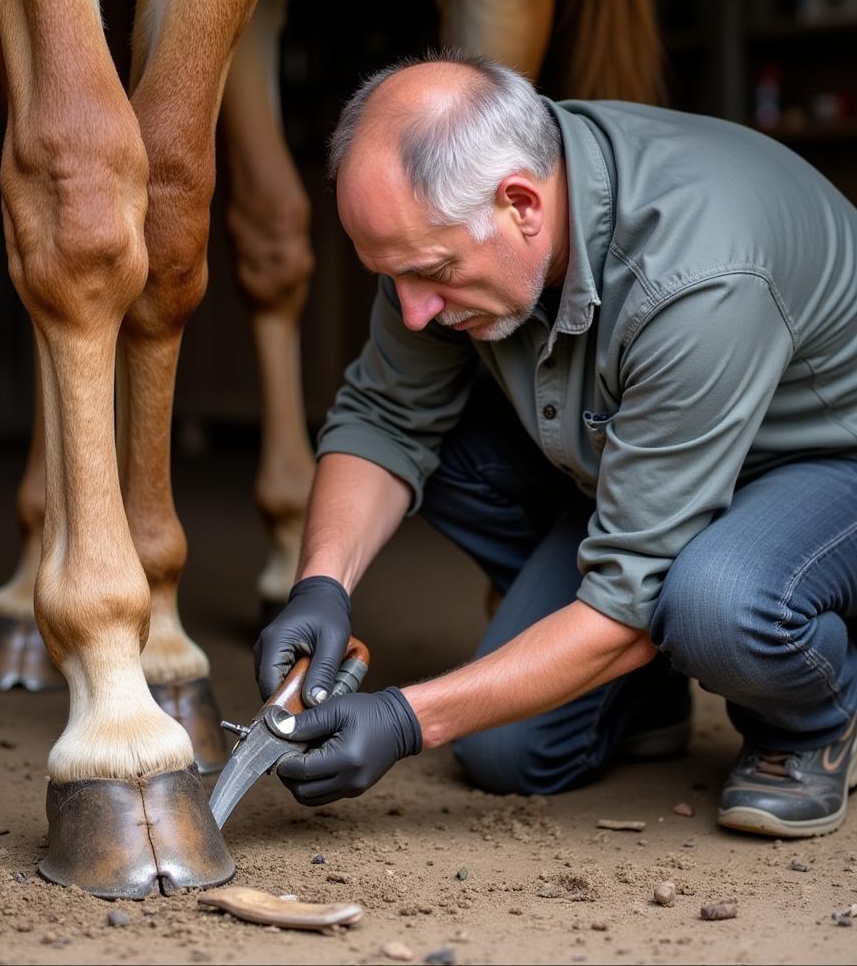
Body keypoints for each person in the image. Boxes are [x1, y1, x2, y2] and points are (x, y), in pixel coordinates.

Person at [253, 50, 857, 839]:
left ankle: (812, 721)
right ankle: (642, 696)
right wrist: (321, 587)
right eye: (390, 275)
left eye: (432, 272)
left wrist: (408, 719)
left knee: (716, 602)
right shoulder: (449, 219)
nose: (410, 311)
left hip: (817, 468)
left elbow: (628, 594)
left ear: (521, 204)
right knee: (510, 754)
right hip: (651, 461)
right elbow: (385, 418)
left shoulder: (700, 276)